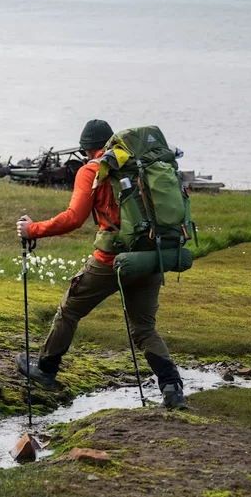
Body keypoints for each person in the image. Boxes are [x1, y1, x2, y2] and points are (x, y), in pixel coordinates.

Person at [15, 118, 186, 410]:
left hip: (110, 260)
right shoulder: (143, 167)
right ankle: (172, 387)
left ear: (86, 150)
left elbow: (74, 217)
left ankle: (45, 369)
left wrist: (33, 229)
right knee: (144, 329)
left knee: (69, 310)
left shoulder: (92, 170)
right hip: (151, 255)